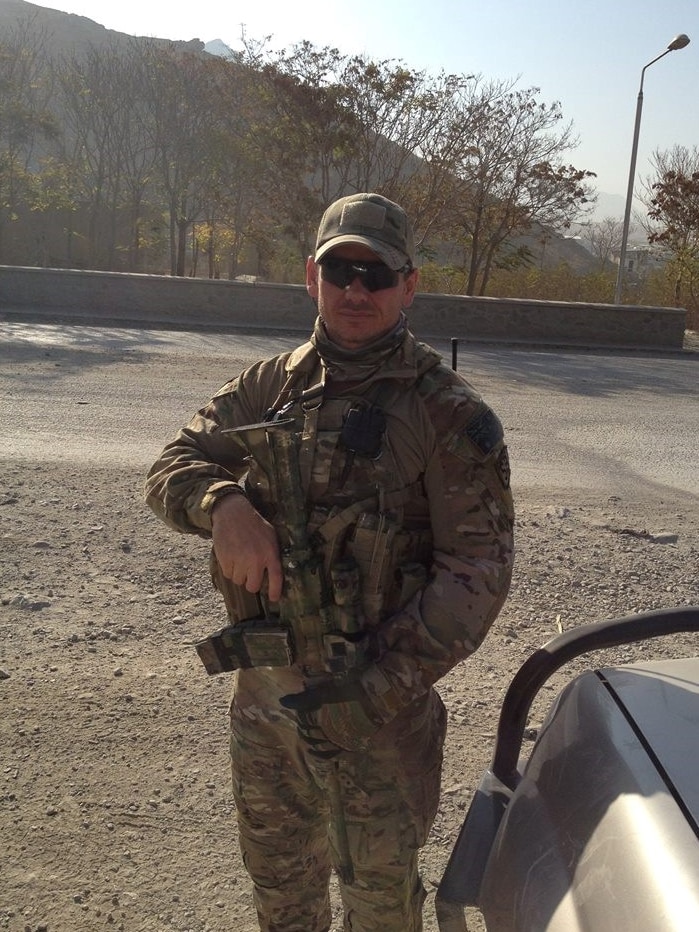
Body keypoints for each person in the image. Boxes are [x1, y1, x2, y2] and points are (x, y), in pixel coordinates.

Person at [144, 192, 515, 932]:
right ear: (310, 276)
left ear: (408, 285)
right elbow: (171, 464)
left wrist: (372, 691)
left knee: (380, 907)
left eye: (376, 275)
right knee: (281, 891)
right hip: (267, 707)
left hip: (376, 718)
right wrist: (223, 504)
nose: (355, 290)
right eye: (339, 268)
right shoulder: (268, 385)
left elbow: (475, 574)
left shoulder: (445, 413)